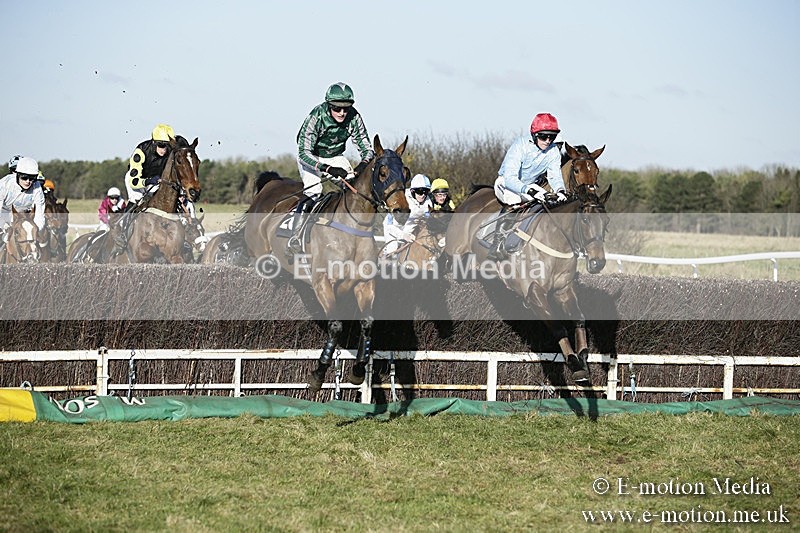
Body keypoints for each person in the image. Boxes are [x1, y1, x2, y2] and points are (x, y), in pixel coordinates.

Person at [287, 82, 375, 255]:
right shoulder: (316, 117)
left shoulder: (354, 117)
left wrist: (362, 165)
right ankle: (295, 237)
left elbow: (367, 149)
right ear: (328, 105)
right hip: (312, 156)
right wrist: (327, 168)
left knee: (354, 190)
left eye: (346, 108)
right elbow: (304, 153)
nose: (342, 113)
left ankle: (354, 234)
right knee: (315, 191)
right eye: (337, 108)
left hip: (335, 157)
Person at [488, 113, 569, 260]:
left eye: (552, 137)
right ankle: (497, 243)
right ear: (534, 134)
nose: (548, 141)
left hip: (529, 185)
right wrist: (528, 190)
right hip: (506, 183)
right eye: (544, 136)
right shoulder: (520, 145)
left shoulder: (553, 152)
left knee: (549, 201)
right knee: (513, 200)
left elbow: (554, 176)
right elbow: (510, 178)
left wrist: (560, 190)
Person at [124, 123, 178, 204]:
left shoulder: (169, 152)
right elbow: (133, 182)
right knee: (137, 199)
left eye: (167, 145)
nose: (164, 149)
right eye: (161, 145)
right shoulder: (141, 151)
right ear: (154, 142)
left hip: (154, 181)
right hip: (136, 180)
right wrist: (149, 181)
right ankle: (126, 216)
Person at [382, 174, 432, 257]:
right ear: (412, 191)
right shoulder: (402, 198)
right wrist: (403, 235)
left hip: (411, 235)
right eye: (419, 191)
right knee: (393, 253)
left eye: (425, 191)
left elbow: (427, 221)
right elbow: (389, 225)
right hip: (393, 231)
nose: (423, 195)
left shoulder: (428, 202)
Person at [0, 156, 46, 239]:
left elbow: (39, 214)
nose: (28, 181)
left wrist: (35, 230)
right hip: (3, 215)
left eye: (32, 178)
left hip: (24, 218)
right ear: (17, 174)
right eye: (24, 177)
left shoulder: (37, 187)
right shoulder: (4, 185)